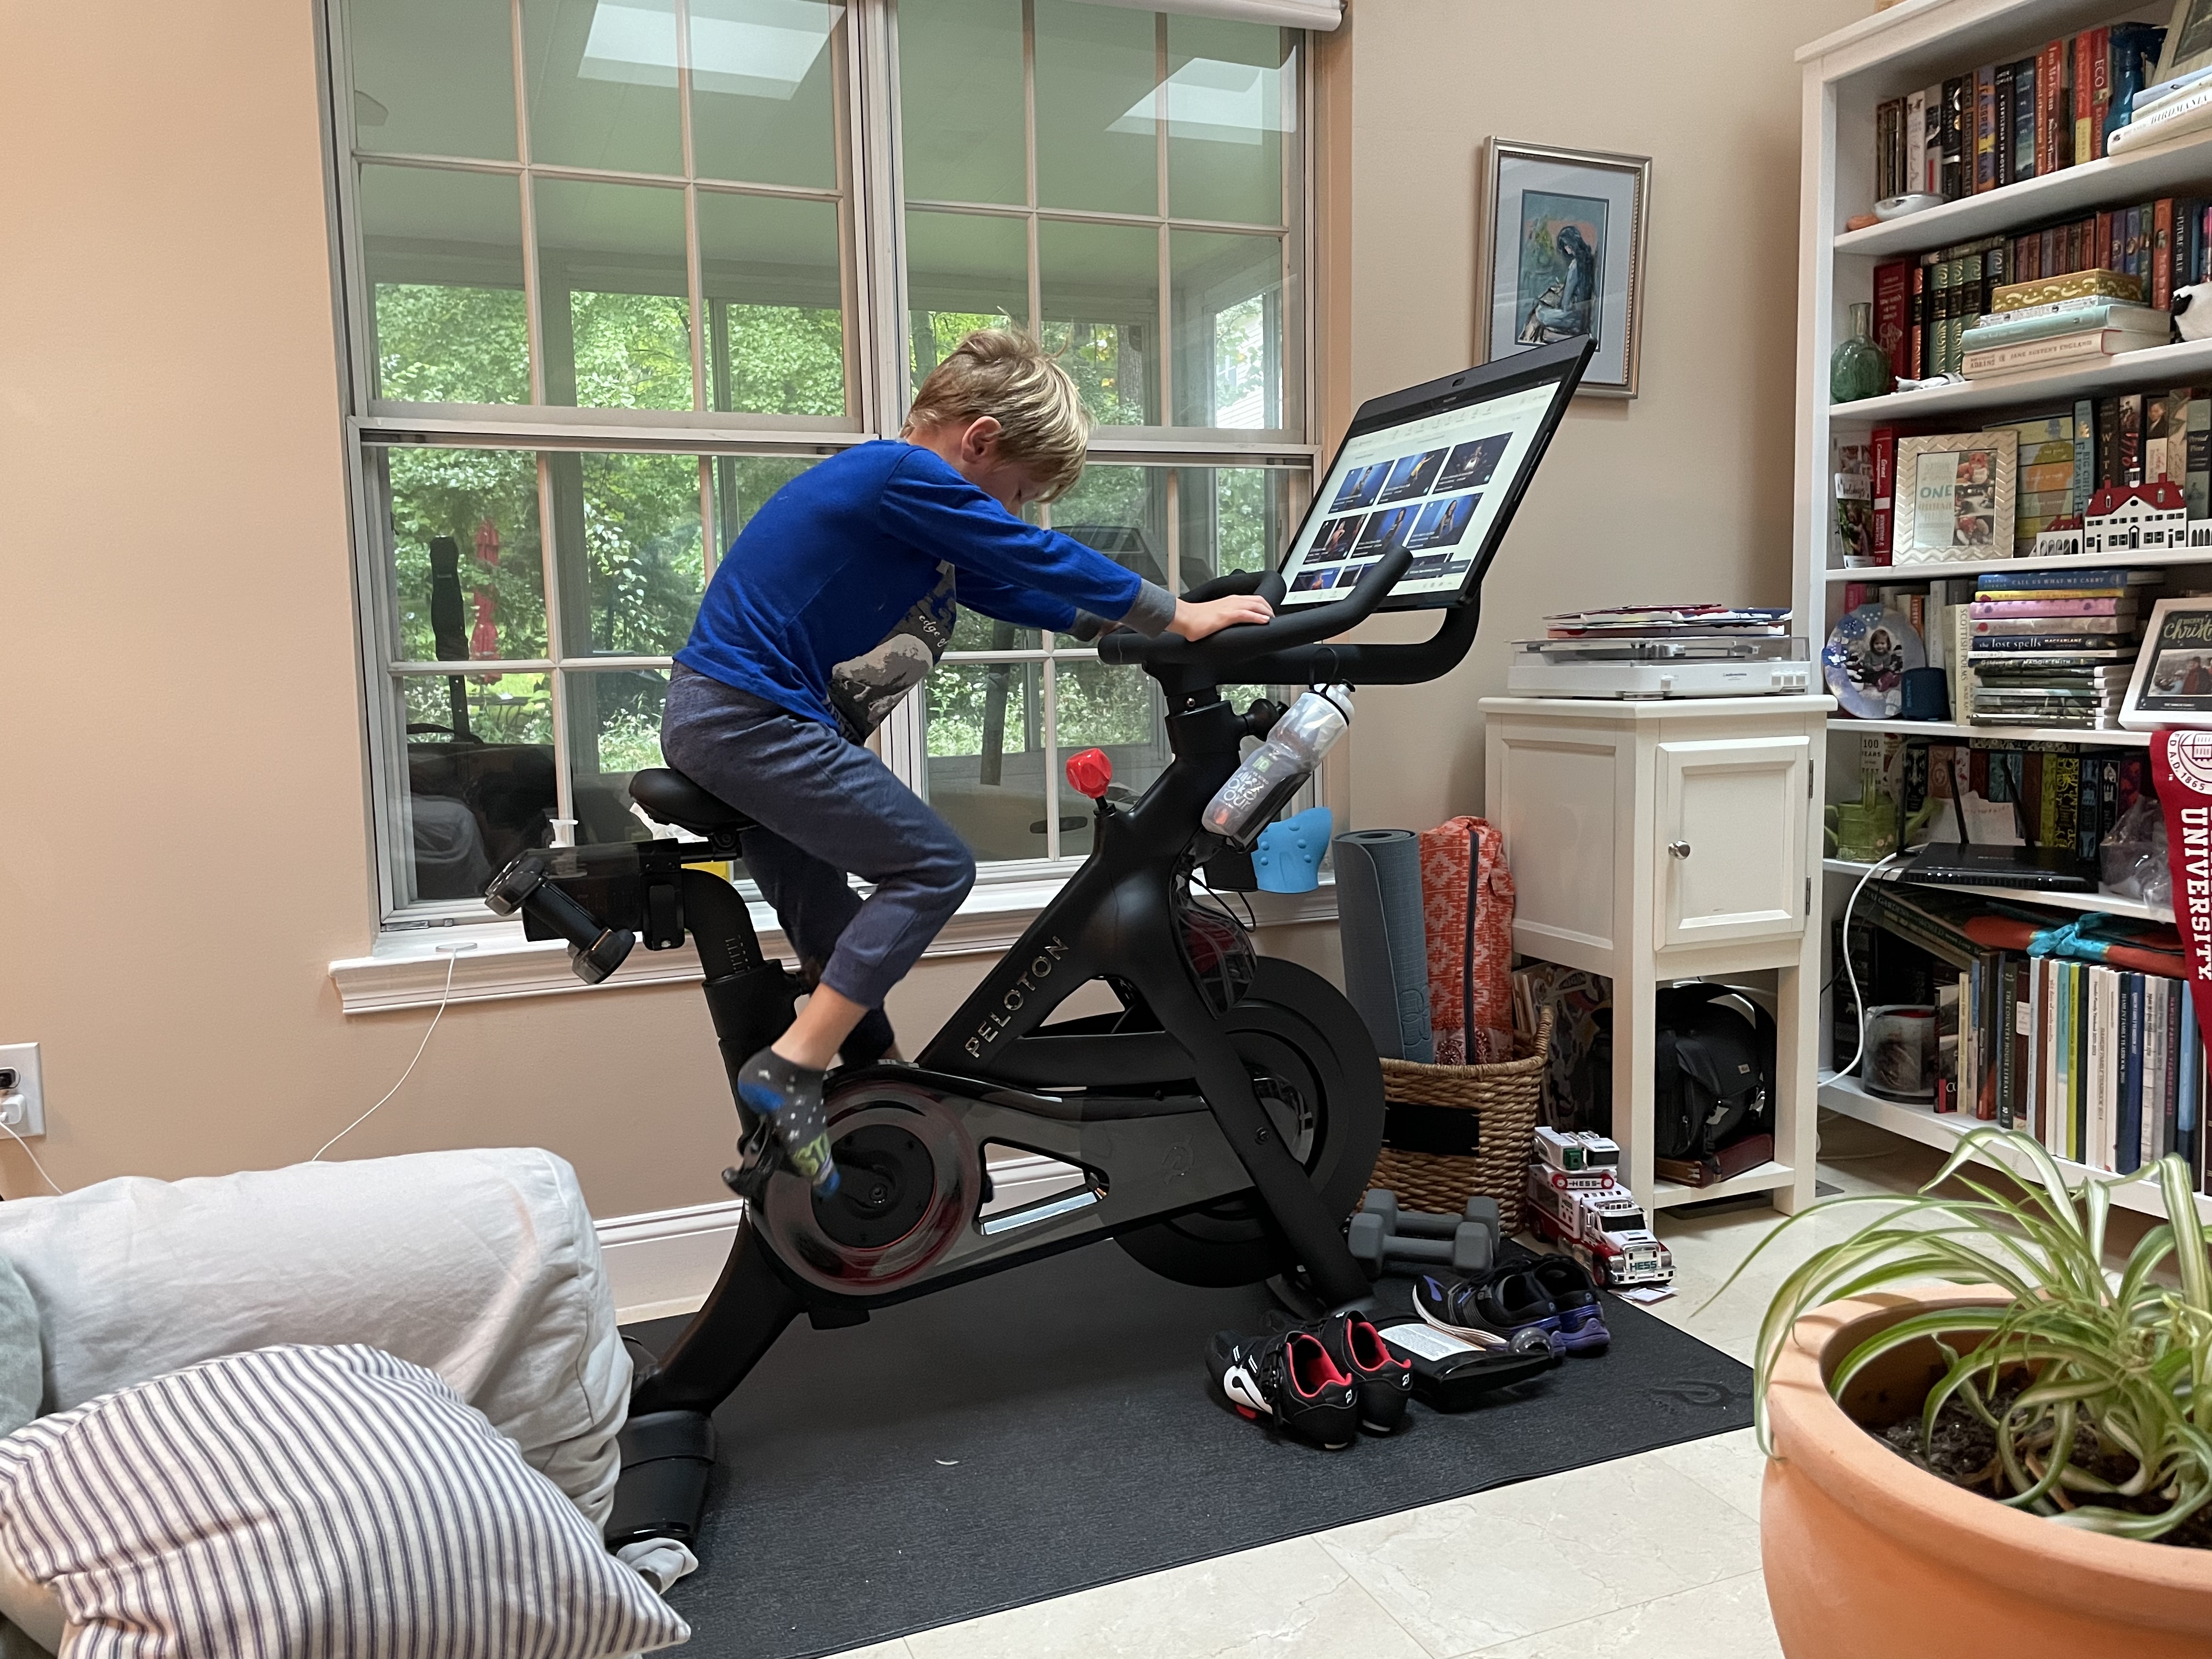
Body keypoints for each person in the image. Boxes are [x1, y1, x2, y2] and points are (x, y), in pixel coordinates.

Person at [661, 330, 1272, 1190]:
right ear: (979, 441)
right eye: (1019, 493)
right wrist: (1174, 615)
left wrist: (1116, 623)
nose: (1017, 514)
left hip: (735, 719)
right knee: (935, 866)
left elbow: (1005, 584)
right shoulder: (899, 475)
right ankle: (792, 1067)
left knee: (829, 923)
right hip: (748, 718)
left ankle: (876, 1095)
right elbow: (1030, 554)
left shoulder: (913, 519)